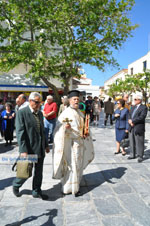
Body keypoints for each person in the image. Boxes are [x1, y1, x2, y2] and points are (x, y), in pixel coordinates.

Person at [52, 90, 94, 197]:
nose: (77, 101)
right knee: (71, 167)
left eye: (78, 99)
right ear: (70, 100)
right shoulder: (65, 113)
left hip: (79, 144)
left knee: (78, 166)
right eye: (74, 99)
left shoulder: (80, 112)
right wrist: (65, 129)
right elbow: (58, 128)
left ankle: (76, 187)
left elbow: (84, 126)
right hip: (70, 145)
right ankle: (67, 188)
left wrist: (86, 133)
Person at [12, 92, 50, 199]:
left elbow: (42, 131)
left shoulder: (40, 113)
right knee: (26, 171)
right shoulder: (22, 113)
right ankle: (16, 185)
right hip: (29, 149)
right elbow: (20, 132)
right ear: (30, 101)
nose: (38, 105)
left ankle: (36, 191)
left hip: (40, 148)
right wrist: (23, 150)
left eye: (40, 103)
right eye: (37, 102)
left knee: (39, 172)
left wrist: (46, 145)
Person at [128, 94, 147, 163]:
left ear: (140, 100)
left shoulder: (144, 107)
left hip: (138, 127)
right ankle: (132, 154)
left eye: (136, 99)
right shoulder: (133, 107)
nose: (134, 100)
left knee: (139, 142)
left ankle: (140, 156)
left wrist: (133, 121)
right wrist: (130, 120)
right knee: (132, 141)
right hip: (131, 126)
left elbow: (142, 117)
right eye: (134, 99)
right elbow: (129, 114)